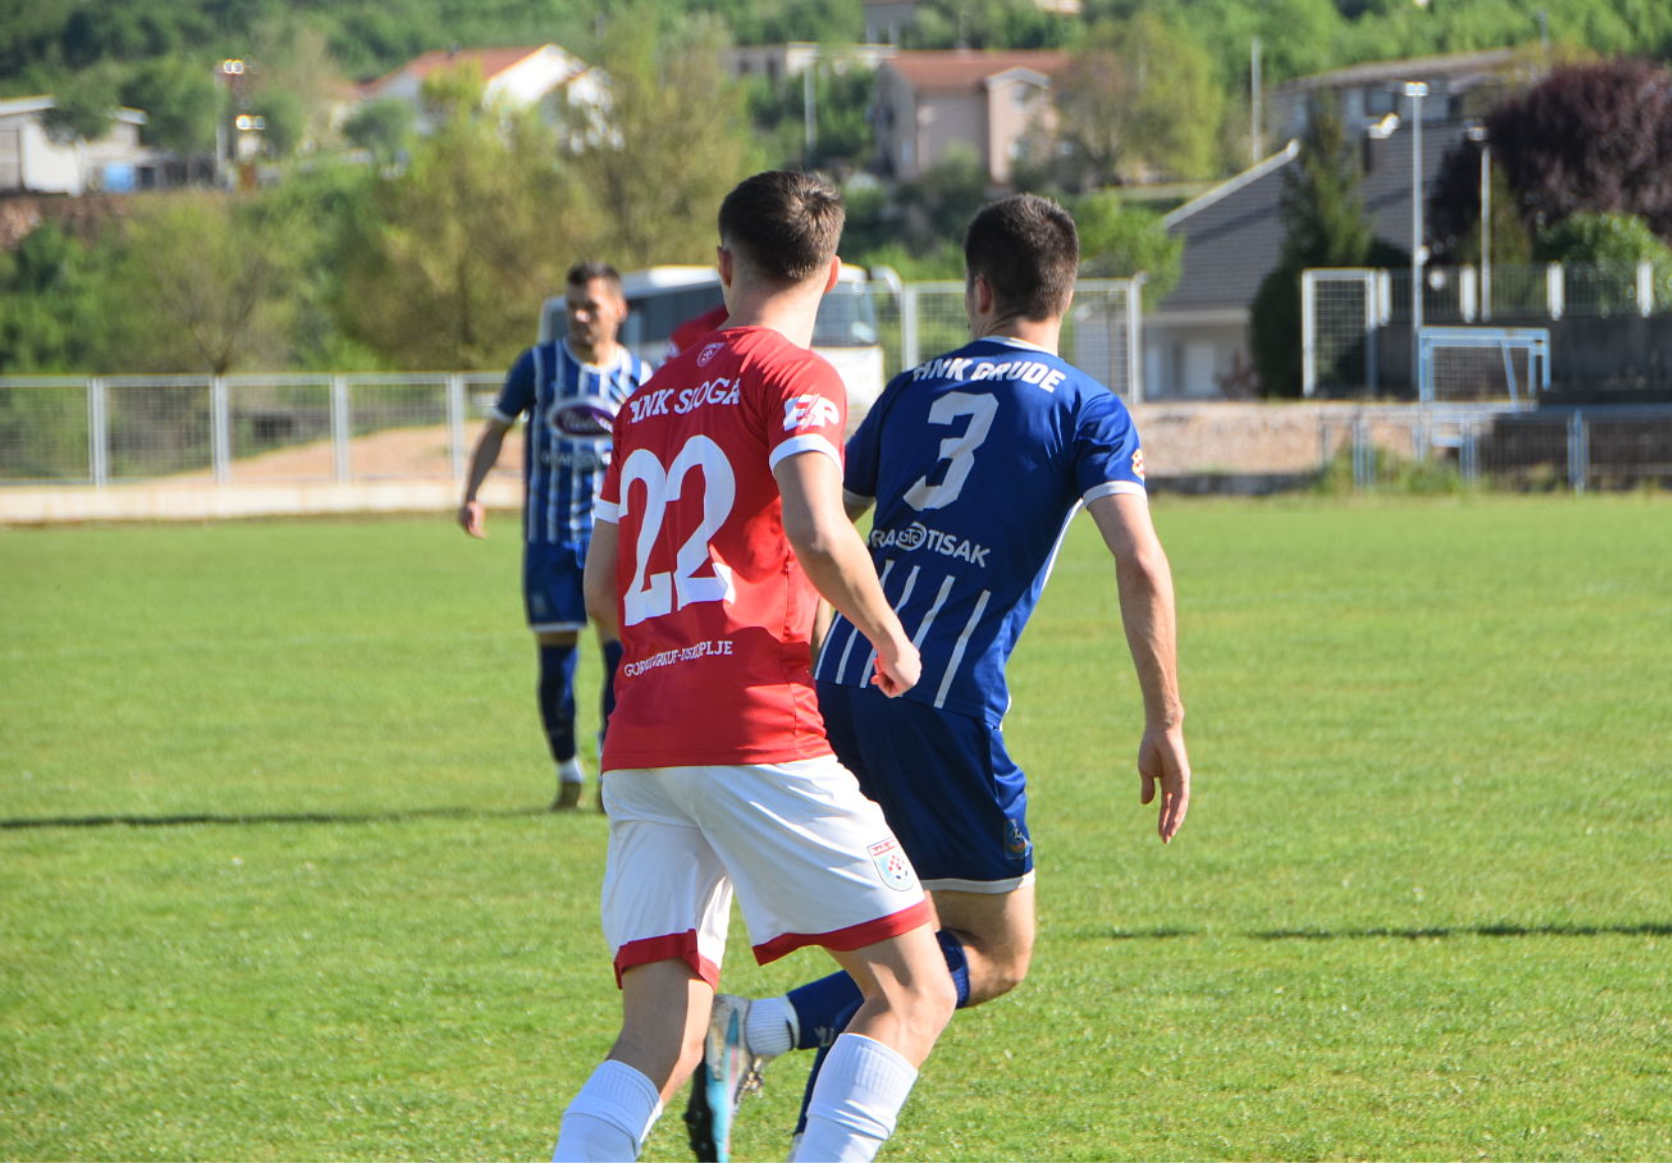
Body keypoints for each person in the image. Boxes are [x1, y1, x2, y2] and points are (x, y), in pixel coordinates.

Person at [694, 194, 1190, 1157]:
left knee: (898, 942)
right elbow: (1139, 561)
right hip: (940, 698)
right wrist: (1164, 719)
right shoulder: (1085, 406)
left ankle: (760, 1050)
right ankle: (759, 1034)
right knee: (994, 953)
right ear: (1067, 293)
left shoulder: (912, 389)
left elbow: (810, 533)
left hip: (840, 683)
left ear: (979, 290)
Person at [551, 171, 957, 1163]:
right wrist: (889, 634)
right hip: (753, 728)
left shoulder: (645, 397)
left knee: (661, 1040)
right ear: (833, 272)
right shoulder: (797, 375)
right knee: (915, 988)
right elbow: (819, 529)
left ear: (723, 265)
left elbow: (603, 586)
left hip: (643, 742)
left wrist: (668, 654)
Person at [459, 261, 648, 811]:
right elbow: (496, 430)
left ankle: (611, 763)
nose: (580, 317)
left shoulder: (640, 376)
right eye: (572, 307)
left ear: (618, 310)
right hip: (550, 540)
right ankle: (567, 769)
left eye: (591, 306)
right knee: (556, 664)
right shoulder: (538, 366)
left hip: (615, 543)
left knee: (623, 660)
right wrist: (472, 492)